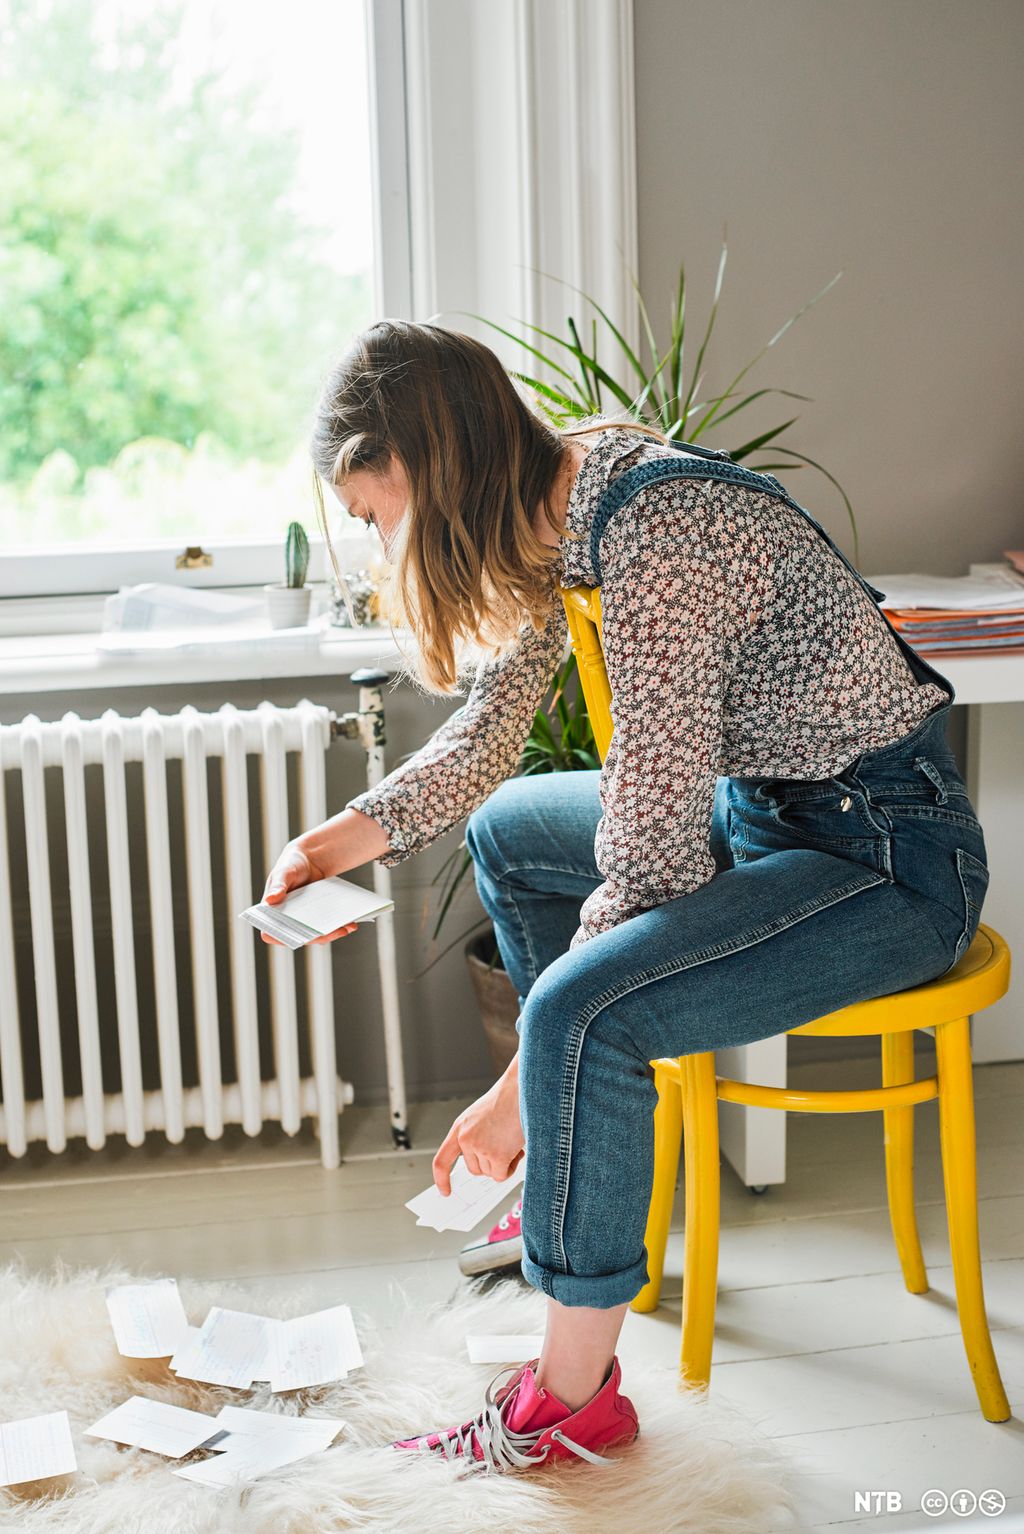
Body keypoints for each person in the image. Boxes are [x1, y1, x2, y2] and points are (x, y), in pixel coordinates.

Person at [261, 318, 988, 1474]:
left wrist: (518, 1084)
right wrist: (342, 838)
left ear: (430, 466)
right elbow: (495, 725)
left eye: (373, 511)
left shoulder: (658, 527)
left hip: (886, 857)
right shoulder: (564, 491)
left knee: (579, 1014)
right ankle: (573, 1175)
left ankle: (570, 1403)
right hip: (771, 819)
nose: (381, 539)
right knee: (512, 830)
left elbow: (648, 855)